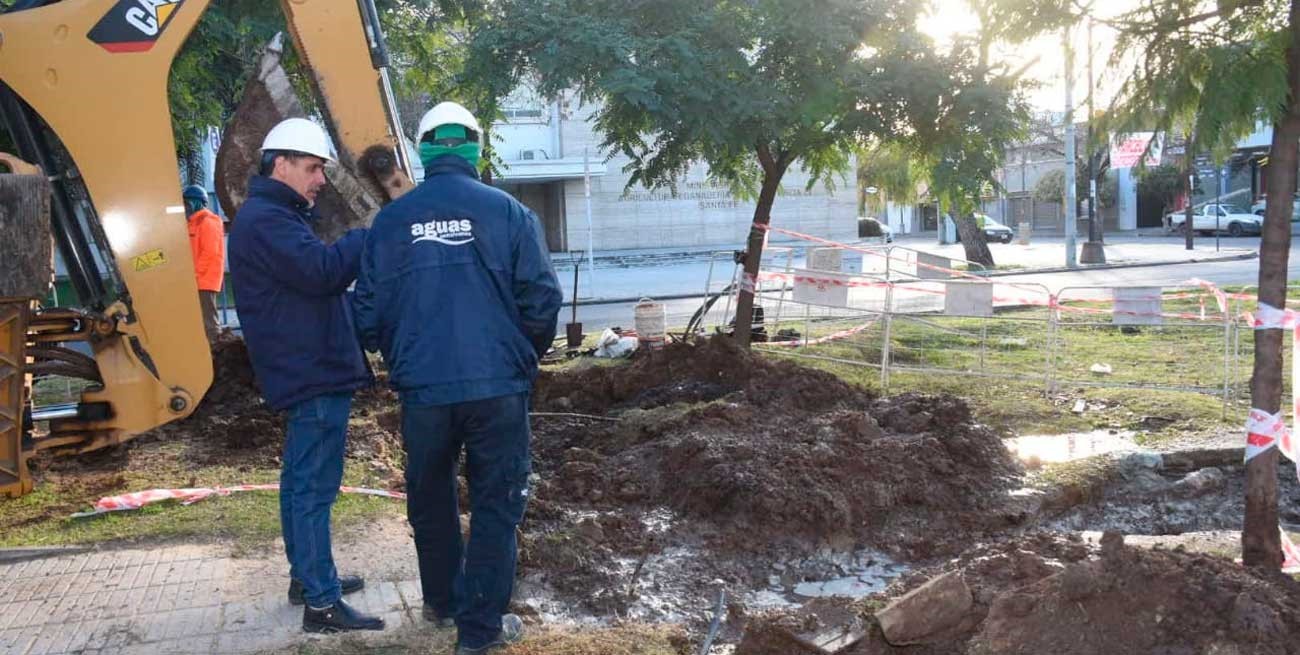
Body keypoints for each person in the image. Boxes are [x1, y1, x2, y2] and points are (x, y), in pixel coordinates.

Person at [353, 101, 562, 654]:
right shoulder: (510, 213)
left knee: (430, 495)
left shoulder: (392, 222)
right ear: (474, 148)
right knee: (496, 502)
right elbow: (541, 300)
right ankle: (479, 631)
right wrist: (521, 356)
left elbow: (367, 314)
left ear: (422, 152)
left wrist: (399, 355)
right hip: (497, 388)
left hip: (423, 391)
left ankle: (443, 601)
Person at [227, 117, 382, 633]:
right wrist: (367, 235)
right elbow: (322, 273)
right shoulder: (269, 220)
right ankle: (322, 604)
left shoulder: (271, 216)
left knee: (299, 485)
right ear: (282, 164)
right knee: (315, 488)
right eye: (314, 168)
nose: (320, 180)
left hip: (303, 367)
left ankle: (308, 578)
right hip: (312, 371)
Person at [183, 185, 225, 345]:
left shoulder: (208, 221)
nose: (185, 207)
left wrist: (194, 275)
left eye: (187, 202)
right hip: (197, 280)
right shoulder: (193, 223)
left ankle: (218, 351)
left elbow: (210, 253)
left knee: (209, 322)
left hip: (204, 281)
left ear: (197, 202)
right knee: (199, 322)